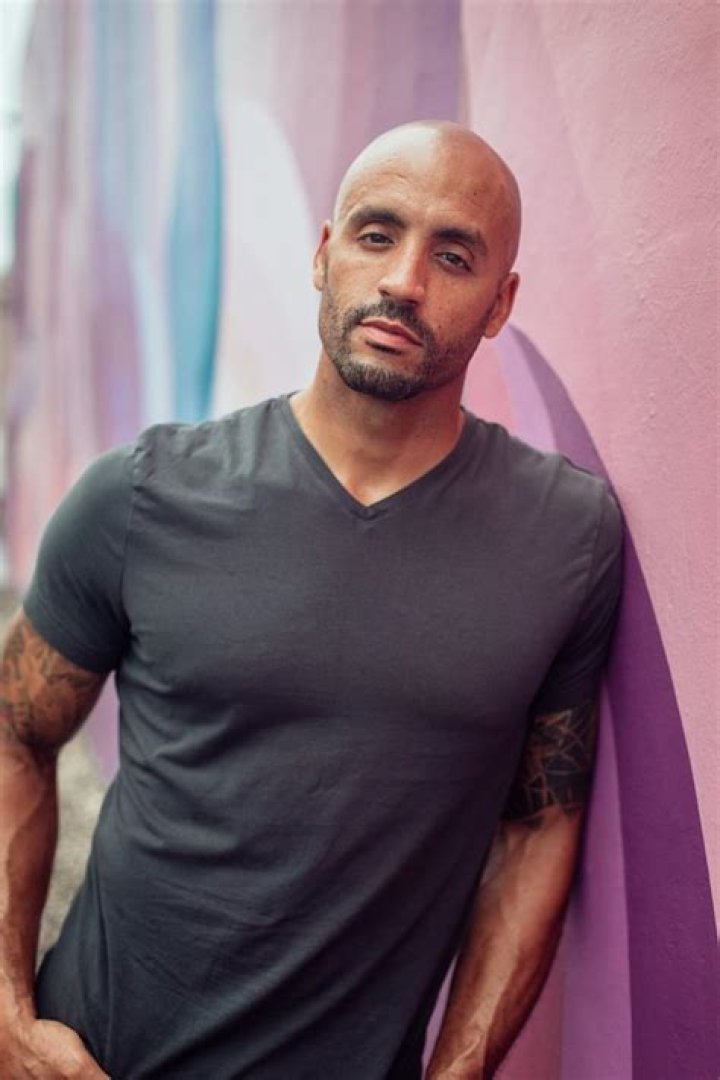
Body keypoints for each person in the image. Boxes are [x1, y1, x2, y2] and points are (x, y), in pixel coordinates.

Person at [0, 121, 623, 1079]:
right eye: (377, 235)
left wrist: (459, 1069)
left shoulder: (565, 538)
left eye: (453, 255)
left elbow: (539, 821)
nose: (404, 281)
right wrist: (7, 1013)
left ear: (500, 304)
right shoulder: (139, 497)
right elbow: (14, 732)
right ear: (324, 255)